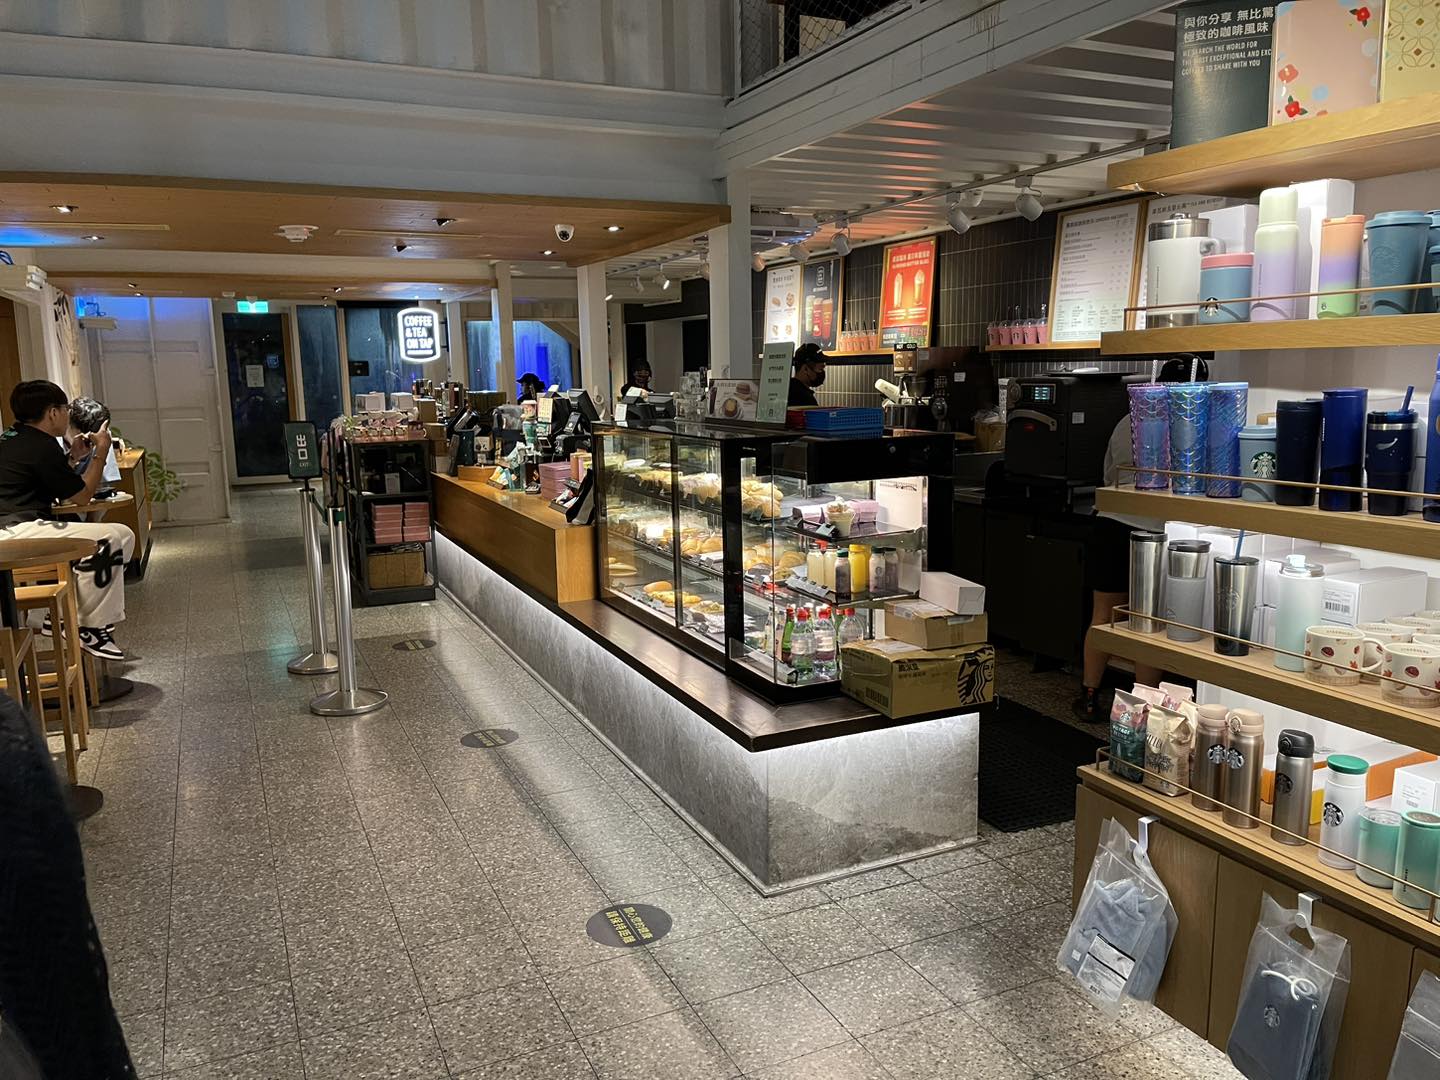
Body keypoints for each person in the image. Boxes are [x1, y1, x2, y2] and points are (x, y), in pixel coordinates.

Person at [1073, 358, 1208, 722]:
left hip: (1110, 525)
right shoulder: (1191, 424)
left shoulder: (1127, 420)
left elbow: (1109, 474)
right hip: (1154, 534)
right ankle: (1142, 709)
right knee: (1147, 622)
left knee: (1103, 616)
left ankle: (1089, 695)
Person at [0, 381, 134, 661]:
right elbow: (82, 496)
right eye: (65, 410)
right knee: (107, 539)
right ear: (52, 413)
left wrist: (73, 457)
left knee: (124, 535)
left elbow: (53, 484)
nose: (66, 416)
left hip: (18, 527)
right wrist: (100, 452)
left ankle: (59, 616)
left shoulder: (14, 437)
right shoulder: (41, 445)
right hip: (15, 531)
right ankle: (89, 628)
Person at [789, 342, 826, 407]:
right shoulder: (804, 399)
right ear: (805, 369)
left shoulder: (788, 389)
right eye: (820, 369)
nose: (821, 373)